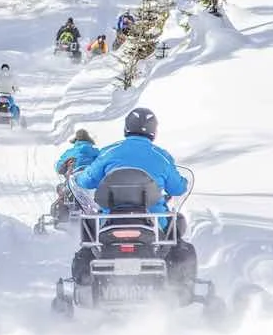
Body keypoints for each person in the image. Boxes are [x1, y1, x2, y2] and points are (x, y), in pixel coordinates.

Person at [70, 107, 196, 288]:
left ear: (127, 128)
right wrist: (179, 181)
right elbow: (178, 188)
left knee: (89, 241)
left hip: (110, 223)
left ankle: (85, 283)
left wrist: (79, 176)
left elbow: (86, 181)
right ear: (153, 131)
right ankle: (180, 285)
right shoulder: (161, 156)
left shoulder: (109, 153)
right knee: (176, 232)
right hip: (154, 224)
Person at [51, 129, 99, 223]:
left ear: (76, 141)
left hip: (73, 181)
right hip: (91, 181)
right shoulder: (96, 152)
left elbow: (58, 168)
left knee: (62, 190)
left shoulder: (70, 152)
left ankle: (62, 216)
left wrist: (65, 166)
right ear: (89, 140)